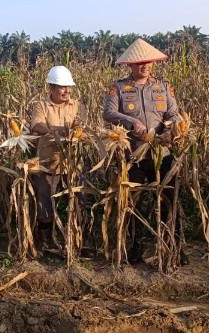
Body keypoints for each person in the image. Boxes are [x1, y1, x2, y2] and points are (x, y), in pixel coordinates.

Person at [102, 38, 183, 264]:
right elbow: (108, 113)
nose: (144, 66)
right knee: (132, 201)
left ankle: (171, 246)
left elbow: (174, 114)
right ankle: (134, 247)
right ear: (131, 65)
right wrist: (130, 121)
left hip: (162, 151)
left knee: (170, 197)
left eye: (147, 62)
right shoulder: (119, 88)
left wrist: (169, 129)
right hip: (134, 152)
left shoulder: (163, 87)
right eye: (139, 63)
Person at [29, 65, 88, 250]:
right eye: (63, 87)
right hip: (48, 163)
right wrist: (57, 132)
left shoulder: (77, 105)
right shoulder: (41, 105)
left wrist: (77, 132)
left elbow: (81, 126)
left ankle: (77, 240)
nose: (67, 91)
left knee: (77, 202)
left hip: (72, 163)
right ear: (51, 88)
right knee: (44, 203)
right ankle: (44, 240)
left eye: (69, 87)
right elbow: (37, 125)